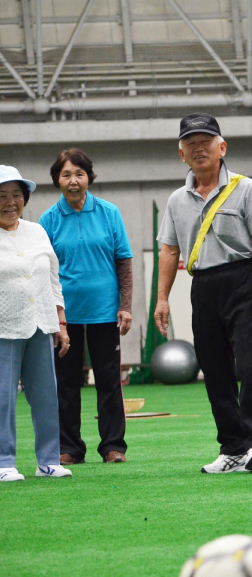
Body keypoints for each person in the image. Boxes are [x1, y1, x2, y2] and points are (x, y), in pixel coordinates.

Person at [155, 113, 252, 473]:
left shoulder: (247, 188)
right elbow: (169, 251)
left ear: (222, 147)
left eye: (205, 142)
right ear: (181, 154)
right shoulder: (177, 200)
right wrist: (162, 298)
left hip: (244, 281)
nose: (198, 149)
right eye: (190, 144)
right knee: (214, 369)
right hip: (203, 286)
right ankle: (232, 448)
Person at [39, 149, 133, 465]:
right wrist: (53, 314)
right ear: (57, 180)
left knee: (108, 382)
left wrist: (126, 306)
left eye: (79, 174)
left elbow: (124, 262)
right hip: (64, 318)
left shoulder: (109, 213)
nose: (73, 181)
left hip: (105, 313)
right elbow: (45, 272)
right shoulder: (47, 220)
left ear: (88, 177)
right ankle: (69, 448)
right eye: (66, 175)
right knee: (66, 385)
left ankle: (112, 447)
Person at [0, 166, 72, 481]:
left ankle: (48, 461)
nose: (10, 202)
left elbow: (53, 277)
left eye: (17, 195)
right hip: (4, 327)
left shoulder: (37, 231)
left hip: (41, 324)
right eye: (2, 196)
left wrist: (61, 321)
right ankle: (3, 462)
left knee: (46, 396)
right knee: (3, 397)